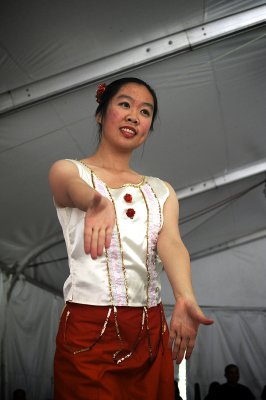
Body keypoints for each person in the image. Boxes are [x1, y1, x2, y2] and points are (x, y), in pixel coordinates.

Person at [49, 77, 213, 399]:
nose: (133, 116)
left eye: (145, 112)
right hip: (87, 327)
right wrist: (95, 201)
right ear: (101, 114)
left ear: (149, 127)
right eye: (124, 104)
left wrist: (185, 297)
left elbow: (172, 243)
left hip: (149, 329)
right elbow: (69, 188)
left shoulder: (161, 190)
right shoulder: (69, 171)